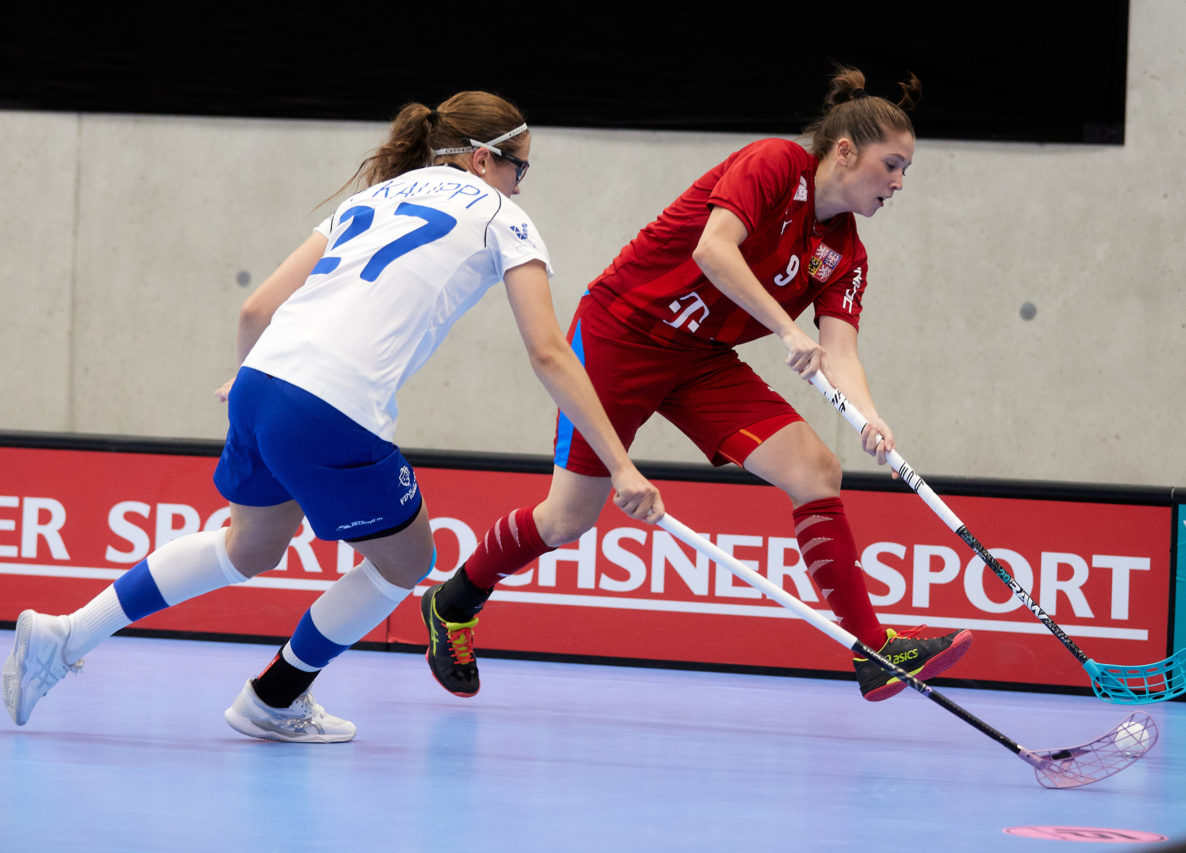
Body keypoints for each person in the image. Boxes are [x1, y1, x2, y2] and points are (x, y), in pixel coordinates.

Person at [2, 91, 663, 742]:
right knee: (408, 561)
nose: (520, 185)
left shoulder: (372, 198)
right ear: (483, 160)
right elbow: (549, 352)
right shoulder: (502, 217)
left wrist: (254, 379)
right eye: (521, 167)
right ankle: (274, 698)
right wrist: (620, 465)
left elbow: (256, 309)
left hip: (261, 381)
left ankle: (67, 634)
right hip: (333, 402)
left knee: (248, 546)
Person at [423, 67, 972, 703]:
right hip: (621, 335)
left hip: (700, 359)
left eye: (906, 170)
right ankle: (454, 601)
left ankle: (873, 650)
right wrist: (786, 330)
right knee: (568, 518)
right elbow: (714, 250)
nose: (899, 182)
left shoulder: (846, 254)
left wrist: (869, 416)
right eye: (892, 165)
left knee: (817, 470)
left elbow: (840, 351)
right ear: (845, 151)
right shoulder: (775, 164)